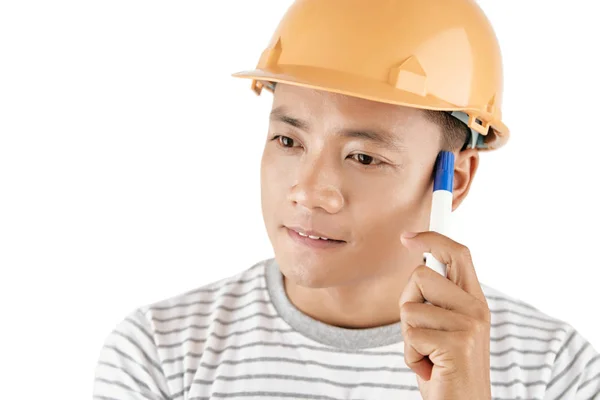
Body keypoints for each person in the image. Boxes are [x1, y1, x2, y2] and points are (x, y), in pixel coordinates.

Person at [92, 0, 600, 399]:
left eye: (363, 157)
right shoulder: (159, 352)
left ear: (455, 180)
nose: (309, 191)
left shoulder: (557, 371)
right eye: (289, 141)